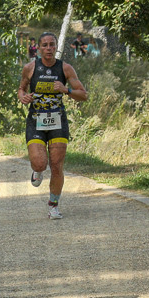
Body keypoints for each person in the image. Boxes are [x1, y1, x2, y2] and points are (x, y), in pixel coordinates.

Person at [17, 31, 89, 219]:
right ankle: (37, 170)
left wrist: (66, 89)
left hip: (57, 120)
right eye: (45, 45)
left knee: (56, 165)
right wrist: (23, 97)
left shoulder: (65, 69)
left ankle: (53, 205)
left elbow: (83, 95)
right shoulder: (30, 68)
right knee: (40, 163)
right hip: (36, 121)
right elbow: (21, 88)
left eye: (52, 45)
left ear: (56, 47)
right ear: (39, 48)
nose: (49, 48)